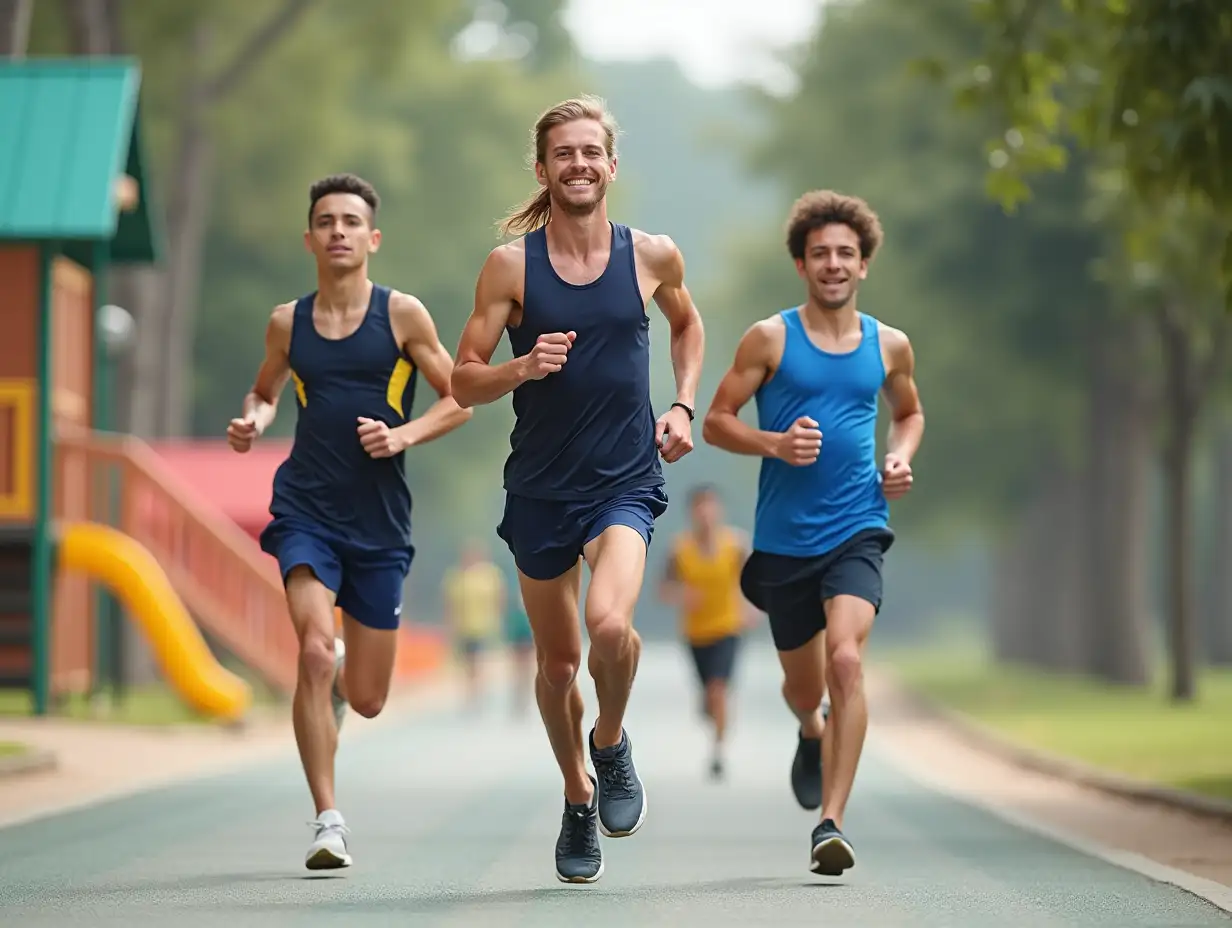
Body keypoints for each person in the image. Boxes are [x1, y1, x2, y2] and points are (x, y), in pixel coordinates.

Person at [450, 95, 705, 884]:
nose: (579, 165)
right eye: (564, 154)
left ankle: (611, 742)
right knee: (559, 668)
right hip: (539, 489)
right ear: (543, 168)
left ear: (612, 165)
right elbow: (462, 379)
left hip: (625, 480)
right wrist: (520, 368)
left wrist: (684, 403)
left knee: (610, 626)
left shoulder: (651, 256)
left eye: (591, 152)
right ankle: (575, 794)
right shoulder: (510, 266)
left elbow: (687, 327)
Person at [226, 173, 471, 871]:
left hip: (380, 522)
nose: (338, 230)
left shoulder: (403, 317)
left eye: (351, 221)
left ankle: (337, 683)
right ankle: (328, 821)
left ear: (372, 238)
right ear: (309, 238)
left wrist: (404, 436)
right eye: (326, 221)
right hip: (306, 505)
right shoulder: (287, 322)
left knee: (366, 699)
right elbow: (265, 388)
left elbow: (460, 400)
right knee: (308, 646)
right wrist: (254, 419)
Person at [701, 190, 923, 877]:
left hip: (859, 526)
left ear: (864, 266)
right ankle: (809, 727)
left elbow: (909, 413)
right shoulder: (771, 338)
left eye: (846, 254)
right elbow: (716, 420)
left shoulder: (889, 344)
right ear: (802, 264)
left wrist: (898, 457)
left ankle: (831, 822)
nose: (833, 264)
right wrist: (773, 444)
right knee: (805, 687)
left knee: (848, 662)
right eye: (820, 253)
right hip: (784, 542)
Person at [658, 484, 750, 781]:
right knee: (710, 696)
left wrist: (754, 607)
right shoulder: (679, 548)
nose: (706, 513)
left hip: (728, 627)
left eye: (710, 506)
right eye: (700, 507)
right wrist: (683, 595)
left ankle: (718, 752)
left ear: (719, 510)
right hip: (695, 633)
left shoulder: (736, 545)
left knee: (718, 689)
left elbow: (756, 581)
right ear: (691, 512)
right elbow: (663, 589)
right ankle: (709, 704)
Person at [442, 538, 506, 710]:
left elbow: (499, 599)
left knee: (477, 661)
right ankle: (472, 692)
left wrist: (498, 619)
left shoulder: (490, 575)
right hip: (463, 627)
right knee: (467, 663)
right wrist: (450, 625)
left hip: (482, 626)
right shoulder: (456, 576)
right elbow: (450, 604)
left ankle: (477, 693)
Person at [503, 569, 536, 716]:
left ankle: (524, 700)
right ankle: (518, 700)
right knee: (518, 670)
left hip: (528, 635)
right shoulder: (514, 604)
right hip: (518, 635)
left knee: (526, 670)